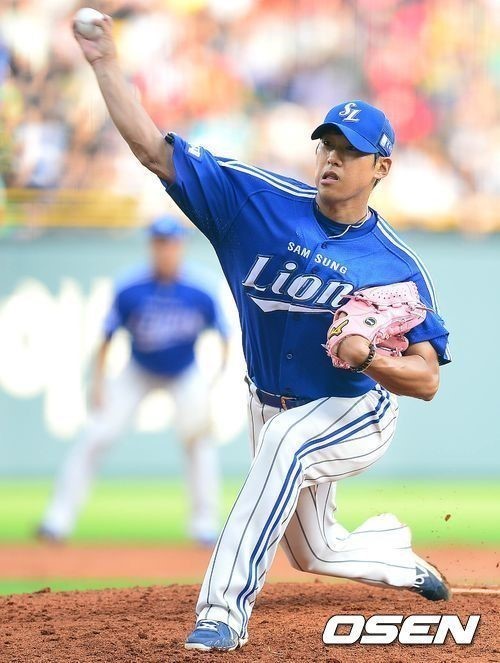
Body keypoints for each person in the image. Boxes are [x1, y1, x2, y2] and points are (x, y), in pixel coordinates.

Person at [72, 16, 451, 653]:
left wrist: (369, 360)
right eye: (327, 145)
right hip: (269, 399)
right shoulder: (255, 204)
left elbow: (427, 378)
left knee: (285, 445)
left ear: (381, 166)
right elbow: (153, 151)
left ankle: (222, 613)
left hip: (355, 407)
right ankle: (401, 560)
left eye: (350, 151)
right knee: (316, 550)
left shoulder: (395, 266)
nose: (333, 158)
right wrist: (105, 62)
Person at [38, 215, 230, 547]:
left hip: (184, 371)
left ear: (181, 247)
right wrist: (98, 383)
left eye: (171, 244)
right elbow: (106, 338)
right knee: (97, 435)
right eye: (159, 243)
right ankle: (57, 520)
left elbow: (224, 337)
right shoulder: (130, 287)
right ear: (151, 247)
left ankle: (204, 525)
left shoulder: (200, 288)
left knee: (198, 442)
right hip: (138, 370)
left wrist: (212, 385)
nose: (165, 250)